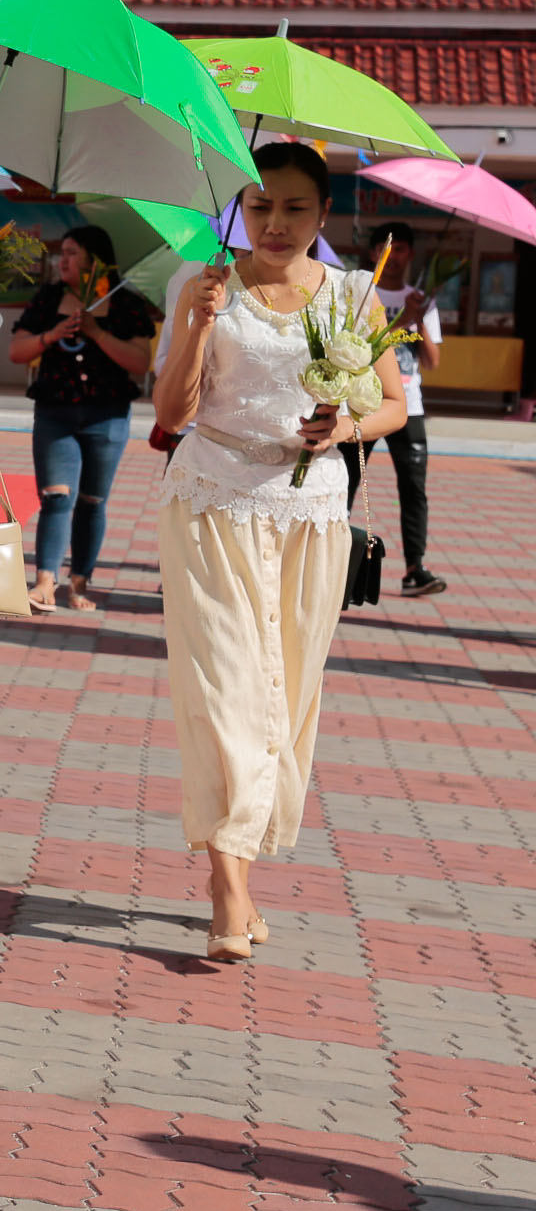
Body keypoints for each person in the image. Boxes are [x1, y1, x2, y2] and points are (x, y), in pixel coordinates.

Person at [152, 142, 405, 961]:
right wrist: (197, 321)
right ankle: (230, 889)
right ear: (237, 208)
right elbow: (171, 409)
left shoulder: (355, 297)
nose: (274, 222)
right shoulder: (202, 285)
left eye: (295, 208)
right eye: (259, 205)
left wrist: (345, 427)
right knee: (225, 688)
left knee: (287, 695)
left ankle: (239, 869)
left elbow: (394, 406)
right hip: (210, 502)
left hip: (310, 514)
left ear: (322, 215)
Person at [10, 225, 158, 612]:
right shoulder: (49, 298)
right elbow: (17, 351)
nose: (64, 261)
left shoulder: (125, 302)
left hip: (107, 418)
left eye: (73, 253)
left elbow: (141, 362)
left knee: (92, 501)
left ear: (96, 259)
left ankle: (79, 584)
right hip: (55, 413)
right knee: (56, 497)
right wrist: (52, 334)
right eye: (64, 252)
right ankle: (44, 583)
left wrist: (96, 332)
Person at [359, 222, 445, 597]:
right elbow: (358, 348)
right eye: (384, 248)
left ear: (410, 254)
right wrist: (403, 320)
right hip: (363, 404)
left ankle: (415, 569)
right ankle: (336, 561)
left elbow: (432, 361)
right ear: (374, 253)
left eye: (400, 249)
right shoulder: (361, 293)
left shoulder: (422, 299)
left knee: (414, 489)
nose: (392, 257)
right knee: (345, 483)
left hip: (408, 407)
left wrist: (420, 318)